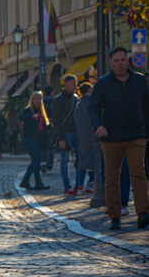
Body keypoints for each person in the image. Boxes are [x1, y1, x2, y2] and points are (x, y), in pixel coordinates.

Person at [88, 45, 149, 230]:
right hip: (111, 136)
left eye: (123, 60)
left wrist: (146, 131)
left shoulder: (139, 81)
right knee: (112, 177)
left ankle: (144, 213)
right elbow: (93, 107)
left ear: (128, 61)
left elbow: (146, 106)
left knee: (138, 172)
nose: (120, 63)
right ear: (110, 63)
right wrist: (98, 126)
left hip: (136, 135)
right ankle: (115, 216)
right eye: (116, 61)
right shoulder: (102, 84)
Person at [52, 74, 82, 196]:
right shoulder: (58, 100)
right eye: (74, 84)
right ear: (67, 85)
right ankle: (67, 187)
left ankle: (79, 186)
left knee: (81, 160)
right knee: (65, 161)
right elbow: (56, 120)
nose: (76, 86)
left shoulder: (76, 98)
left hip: (77, 133)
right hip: (66, 133)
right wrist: (61, 138)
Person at [19, 91, 50, 191]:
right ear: (32, 100)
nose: (38, 100)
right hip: (29, 138)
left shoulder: (41, 111)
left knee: (35, 160)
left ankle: (26, 180)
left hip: (37, 139)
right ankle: (37, 182)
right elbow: (21, 117)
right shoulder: (28, 110)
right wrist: (32, 117)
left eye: (40, 99)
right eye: (36, 98)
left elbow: (43, 126)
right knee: (37, 159)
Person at [74, 83, 95, 196]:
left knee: (81, 164)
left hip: (81, 137)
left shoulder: (78, 104)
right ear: (88, 90)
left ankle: (79, 187)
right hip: (93, 136)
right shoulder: (92, 102)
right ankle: (98, 187)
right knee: (97, 162)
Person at [41, 85, 56, 173]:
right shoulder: (54, 102)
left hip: (42, 126)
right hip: (51, 126)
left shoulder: (41, 103)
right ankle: (49, 165)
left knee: (43, 145)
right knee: (51, 146)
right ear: (51, 93)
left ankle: (43, 160)